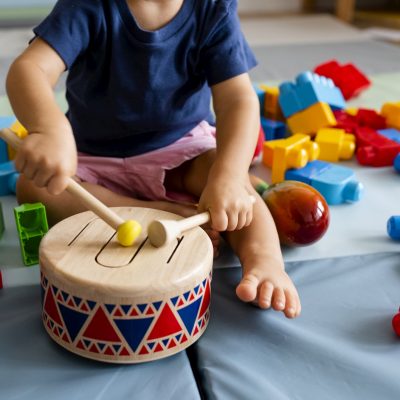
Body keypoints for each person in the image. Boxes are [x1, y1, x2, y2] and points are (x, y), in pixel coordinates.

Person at [6, 0, 301, 318]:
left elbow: (237, 100)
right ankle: (163, 213)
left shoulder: (212, 8)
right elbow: (30, 68)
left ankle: (264, 261)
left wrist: (228, 175)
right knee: (34, 188)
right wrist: (49, 130)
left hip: (181, 149)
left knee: (234, 181)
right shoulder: (86, 5)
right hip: (93, 156)